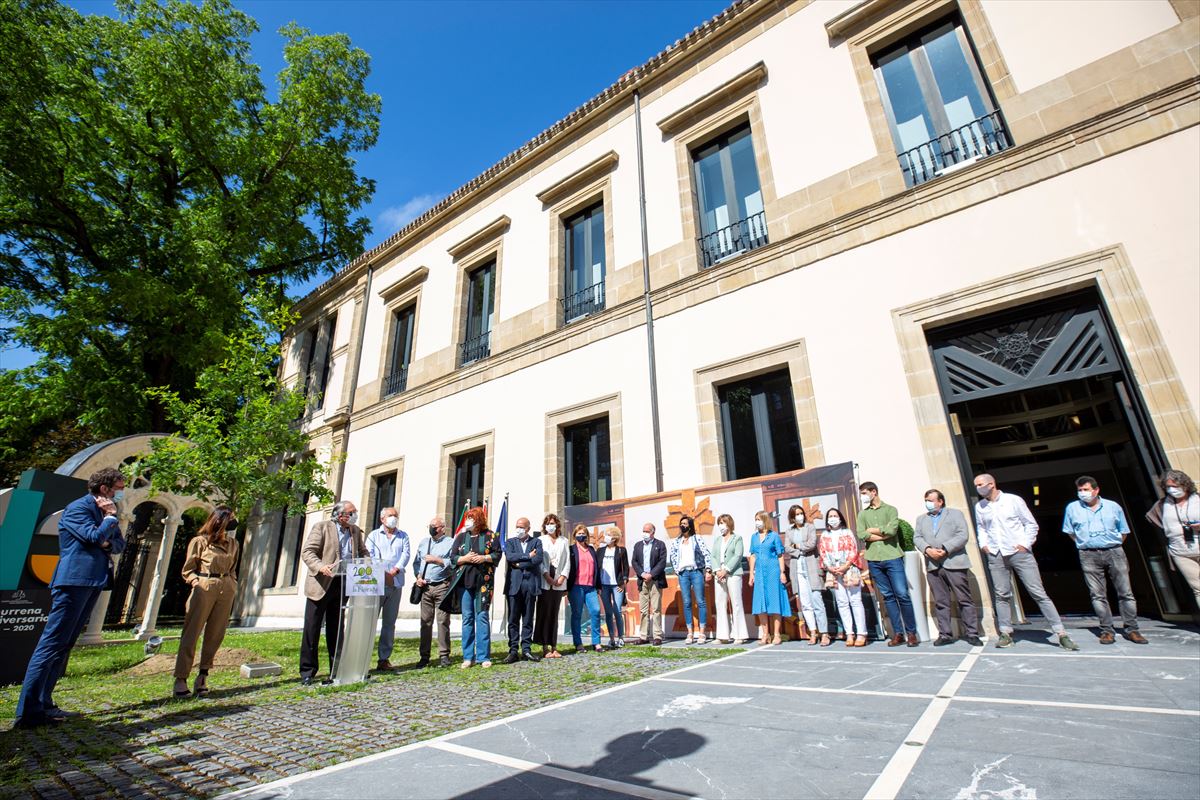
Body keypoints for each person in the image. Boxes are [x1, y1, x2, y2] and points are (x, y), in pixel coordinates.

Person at [16, 468, 127, 728]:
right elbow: (93, 537)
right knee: (51, 644)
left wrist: (106, 540)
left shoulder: (103, 514)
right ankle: (28, 712)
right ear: (104, 489)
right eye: (117, 489)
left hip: (92, 581)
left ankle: (46, 704)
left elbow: (118, 545)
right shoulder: (78, 509)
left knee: (64, 645)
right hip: (73, 581)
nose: (119, 495)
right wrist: (109, 520)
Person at [974, 473, 1079, 651]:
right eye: (976, 485)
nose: (978, 488)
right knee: (1001, 595)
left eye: (980, 484)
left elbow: (1030, 524)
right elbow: (982, 527)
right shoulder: (980, 506)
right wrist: (984, 545)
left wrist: (1024, 544)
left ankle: (1061, 633)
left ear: (992, 484)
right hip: (996, 553)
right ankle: (1006, 632)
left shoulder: (1013, 500)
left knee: (1038, 592)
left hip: (1018, 552)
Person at [1063, 476, 1146, 645]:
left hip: (1114, 551)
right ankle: (1107, 630)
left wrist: (1112, 545)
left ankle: (1132, 629)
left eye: (1086, 489)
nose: (1082, 493)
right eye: (1080, 490)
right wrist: (1086, 544)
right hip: (1088, 554)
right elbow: (1070, 532)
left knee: (1125, 592)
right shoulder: (1072, 508)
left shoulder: (1113, 506)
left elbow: (1123, 531)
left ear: (1096, 490)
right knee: (1097, 594)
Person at [173, 506, 241, 697]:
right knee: (192, 632)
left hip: (225, 586)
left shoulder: (233, 544)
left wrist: (232, 583)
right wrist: (196, 582)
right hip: (204, 586)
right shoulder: (200, 542)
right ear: (220, 520)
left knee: (216, 633)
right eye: (231, 519)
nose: (234, 522)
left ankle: (203, 675)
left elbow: (234, 566)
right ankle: (181, 678)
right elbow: (188, 569)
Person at [300, 501, 367, 685]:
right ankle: (308, 671)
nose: (355, 515)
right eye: (352, 512)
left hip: (343, 583)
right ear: (340, 515)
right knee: (312, 629)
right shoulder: (321, 527)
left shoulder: (355, 531)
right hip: (321, 585)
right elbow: (308, 552)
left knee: (337, 629)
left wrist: (369, 564)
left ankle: (336, 668)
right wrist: (321, 567)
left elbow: (362, 552)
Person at [913, 491, 982, 647]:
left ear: (940, 501)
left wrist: (945, 548)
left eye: (930, 500)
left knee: (964, 599)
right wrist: (927, 549)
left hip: (954, 562)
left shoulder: (955, 514)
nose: (927, 503)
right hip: (933, 565)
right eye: (926, 500)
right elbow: (917, 537)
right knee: (941, 601)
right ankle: (945, 634)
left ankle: (972, 633)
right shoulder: (921, 519)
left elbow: (963, 534)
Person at [856, 482, 918, 647]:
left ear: (873, 492)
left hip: (892, 557)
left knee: (902, 594)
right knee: (888, 597)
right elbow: (862, 534)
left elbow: (892, 531)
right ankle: (898, 633)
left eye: (864, 493)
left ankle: (911, 633)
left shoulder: (890, 510)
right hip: (874, 559)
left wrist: (873, 531)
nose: (863, 496)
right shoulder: (862, 514)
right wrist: (881, 533)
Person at [447, 507, 502, 668]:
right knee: (467, 618)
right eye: (467, 517)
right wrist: (465, 558)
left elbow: (497, 554)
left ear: (479, 520)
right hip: (464, 583)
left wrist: (484, 557)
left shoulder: (490, 536)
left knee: (482, 617)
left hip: (483, 583)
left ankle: (483, 656)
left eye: (471, 518)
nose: (468, 520)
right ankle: (468, 656)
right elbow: (452, 558)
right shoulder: (461, 537)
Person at [1146, 469, 1200, 609]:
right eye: (1168, 487)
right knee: (1198, 588)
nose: (1172, 490)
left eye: (1175, 486)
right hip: (1180, 552)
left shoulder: (1197, 499)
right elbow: (1151, 518)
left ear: (1185, 485)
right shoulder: (1163, 505)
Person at [366, 506, 411, 670]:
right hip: (377, 583)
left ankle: (384, 659)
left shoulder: (403, 536)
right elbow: (369, 555)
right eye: (391, 515)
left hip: (396, 583)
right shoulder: (373, 536)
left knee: (389, 623)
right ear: (382, 518)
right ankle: (363, 658)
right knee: (370, 622)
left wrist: (395, 570)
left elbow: (406, 555)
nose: (394, 518)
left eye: (396, 515)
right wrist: (383, 572)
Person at [819, 508, 867, 647]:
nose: (833, 518)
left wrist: (845, 566)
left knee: (855, 601)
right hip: (834, 572)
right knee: (842, 602)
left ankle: (861, 634)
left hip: (849, 569)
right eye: (830, 516)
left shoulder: (847, 532)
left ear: (840, 518)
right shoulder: (824, 535)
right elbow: (822, 553)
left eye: (835, 516)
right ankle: (849, 633)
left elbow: (854, 550)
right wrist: (830, 567)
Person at [785, 504, 829, 646]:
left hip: (811, 567)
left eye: (801, 513)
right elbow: (786, 547)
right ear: (792, 517)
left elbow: (811, 544)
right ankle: (813, 632)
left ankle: (824, 633)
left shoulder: (810, 527)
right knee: (805, 603)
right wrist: (798, 551)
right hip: (798, 570)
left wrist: (797, 546)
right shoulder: (789, 531)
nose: (800, 516)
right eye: (797, 514)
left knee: (817, 600)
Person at [412, 517, 454, 667]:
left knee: (443, 621)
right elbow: (417, 562)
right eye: (430, 526)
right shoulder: (424, 543)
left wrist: (438, 560)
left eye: (434, 526)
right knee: (425, 622)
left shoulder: (450, 542)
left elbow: (453, 562)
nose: (432, 528)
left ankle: (444, 655)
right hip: (425, 587)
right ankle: (424, 656)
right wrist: (418, 576)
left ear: (442, 528)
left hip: (442, 585)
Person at [503, 517, 543, 663]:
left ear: (528, 528)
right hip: (514, 585)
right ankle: (513, 650)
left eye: (521, 527)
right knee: (513, 619)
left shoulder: (536, 542)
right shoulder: (510, 542)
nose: (519, 529)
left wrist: (519, 564)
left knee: (527, 619)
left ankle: (526, 649)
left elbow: (537, 560)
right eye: (517, 526)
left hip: (530, 584)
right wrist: (527, 556)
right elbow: (510, 557)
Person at [669, 515, 712, 643]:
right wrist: (677, 570)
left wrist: (708, 569)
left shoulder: (697, 538)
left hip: (696, 572)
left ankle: (702, 633)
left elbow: (706, 553)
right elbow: (673, 556)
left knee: (700, 601)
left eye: (685, 523)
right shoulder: (677, 541)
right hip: (683, 573)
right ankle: (690, 633)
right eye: (681, 523)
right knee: (686, 602)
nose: (683, 525)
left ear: (690, 525)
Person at [748, 511, 789, 646]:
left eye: (759, 519)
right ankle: (765, 634)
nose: (757, 522)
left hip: (773, 572)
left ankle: (777, 634)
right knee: (760, 604)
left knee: (774, 602)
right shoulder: (754, 537)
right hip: (759, 573)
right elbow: (753, 555)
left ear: (765, 520)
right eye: (755, 519)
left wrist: (782, 572)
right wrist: (751, 574)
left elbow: (780, 555)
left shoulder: (774, 536)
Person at [533, 514, 569, 659]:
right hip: (545, 580)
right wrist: (546, 575)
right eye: (548, 523)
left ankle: (554, 646)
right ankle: (545, 647)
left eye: (553, 523)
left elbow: (567, 561)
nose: (550, 526)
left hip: (559, 581)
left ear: (557, 525)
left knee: (554, 614)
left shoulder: (564, 541)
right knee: (544, 613)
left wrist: (562, 577)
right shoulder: (540, 540)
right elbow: (539, 560)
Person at [712, 514, 749, 644]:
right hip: (718, 574)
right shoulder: (717, 540)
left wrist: (726, 570)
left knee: (736, 603)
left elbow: (738, 555)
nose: (721, 526)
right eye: (719, 523)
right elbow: (713, 556)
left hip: (733, 573)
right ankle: (722, 636)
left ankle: (740, 635)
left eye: (723, 523)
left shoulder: (737, 538)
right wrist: (717, 570)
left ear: (729, 524)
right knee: (720, 603)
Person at [567, 523, 604, 652]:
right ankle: (578, 643)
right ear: (575, 535)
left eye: (583, 534)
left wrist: (598, 585)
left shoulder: (592, 549)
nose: (581, 536)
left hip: (591, 587)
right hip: (576, 587)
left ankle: (596, 642)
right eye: (579, 534)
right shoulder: (571, 550)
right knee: (577, 614)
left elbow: (596, 569)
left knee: (596, 611)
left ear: (587, 536)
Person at [632, 522, 667, 645]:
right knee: (643, 609)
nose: (645, 533)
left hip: (655, 580)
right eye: (644, 530)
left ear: (653, 532)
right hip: (642, 580)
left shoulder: (660, 545)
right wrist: (642, 574)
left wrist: (651, 574)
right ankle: (643, 636)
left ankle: (657, 636)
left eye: (647, 531)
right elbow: (634, 562)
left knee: (656, 609)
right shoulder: (637, 546)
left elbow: (662, 562)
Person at [596, 527, 629, 648]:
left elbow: (625, 568)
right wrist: (597, 586)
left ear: (614, 538)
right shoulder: (600, 551)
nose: (605, 537)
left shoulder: (621, 550)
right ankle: (611, 638)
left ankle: (621, 637)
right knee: (608, 612)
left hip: (617, 585)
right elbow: (597, 569)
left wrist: (624, 583)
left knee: (617, 610)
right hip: (604, 585)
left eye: (608, 535)